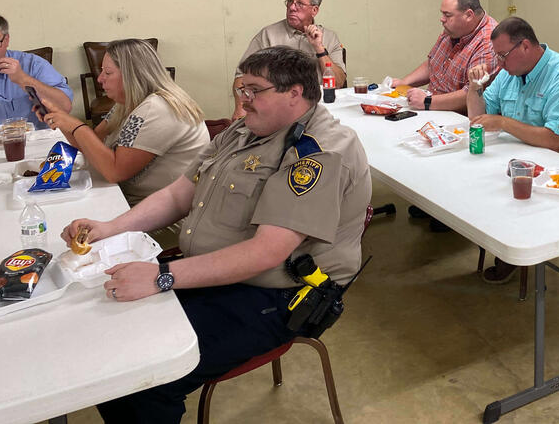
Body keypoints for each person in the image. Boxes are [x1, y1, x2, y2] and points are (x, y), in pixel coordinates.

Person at [61, 46, 371, 424]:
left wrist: (162, 277)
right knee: (107, 334)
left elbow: (266, 253)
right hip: (215, 272)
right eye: (242, 89)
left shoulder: (318, 152)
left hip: (280, 292)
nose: (243, 100)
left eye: (254, 90)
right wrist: (109, 228)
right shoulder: (246, 129)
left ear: (295, 93)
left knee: (145, 377)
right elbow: (180, 192)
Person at [41, 39, 209, 247]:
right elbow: (89, 145)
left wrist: (76, 126)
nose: (100, 79)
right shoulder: (129, 103)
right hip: (134, 202)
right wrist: (60, 120)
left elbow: (114, 171)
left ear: (132, 74)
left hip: (168, 216)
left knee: (67, 237)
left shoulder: (157, 108)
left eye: (108, 73)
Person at [467, 16, 559, 282]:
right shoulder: (509, 73)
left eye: (503, 56)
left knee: (497, 193)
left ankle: (515, 248)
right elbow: (476, 120)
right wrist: (474, 88)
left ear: (525, 46)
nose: (499, 64)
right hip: (519, 156)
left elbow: (555, 142)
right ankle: (505, 243)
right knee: (472, 185)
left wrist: (503, 122)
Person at [232, 0, 345, 120]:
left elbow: (339, 82)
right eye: (290, 1)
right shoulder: (268, 35)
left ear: (314, 10)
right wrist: (240, 109)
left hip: (319, 111)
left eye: (300, 3)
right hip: (276, 112)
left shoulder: (329, 37)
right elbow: (241, 76)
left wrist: (319, 48)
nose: (292, 7)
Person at [391, 0, 498, 114]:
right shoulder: (456, 28)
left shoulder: (489, 43)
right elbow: (433, 64)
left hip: (457, 116)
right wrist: (404, 83)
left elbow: (472, 93)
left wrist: (427, 101)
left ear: (469, 15)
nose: (442, 19)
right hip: (432, 106)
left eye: (447, 15)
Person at [0, 11, 73, 127]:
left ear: (6, 40)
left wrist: (23, 79)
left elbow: (65, 107)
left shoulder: (32, 64)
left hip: (36, 141)